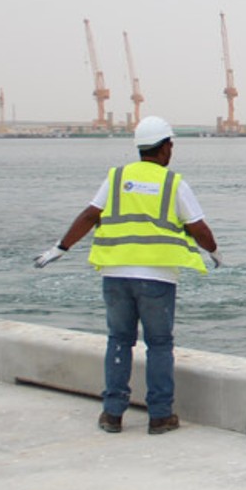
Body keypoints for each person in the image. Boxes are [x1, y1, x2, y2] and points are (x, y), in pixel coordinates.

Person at [34, 116, 221, 435]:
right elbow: (198, 228)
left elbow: (90, 214)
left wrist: (60, 248)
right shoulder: (173, 183)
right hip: (157, 277)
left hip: (116, 274)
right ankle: (160, 416)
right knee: (159, 345)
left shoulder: (116, 178)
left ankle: (112, 414)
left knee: (119, 341)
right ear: (166, 148)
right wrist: (214, 251)